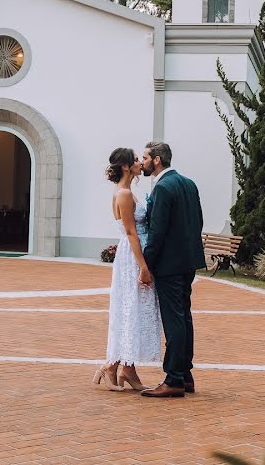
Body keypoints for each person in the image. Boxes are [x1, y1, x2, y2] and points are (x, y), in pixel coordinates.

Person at [139, 142, 205, 398]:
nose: (142, 162)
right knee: (184, 317)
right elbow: (197, 220)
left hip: (169, 265)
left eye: (145, 157)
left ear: (156, 160)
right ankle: (185, 375)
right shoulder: (188, 183)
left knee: (174, 320)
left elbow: (157, 232)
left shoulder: (164, 187)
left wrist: (147, 265)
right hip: (187, 262)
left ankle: (174, 379)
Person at [93, 148, 162, 392]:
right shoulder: (123, 194)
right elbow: (131, 233)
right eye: (135, 160)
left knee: (135, 310)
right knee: (130, 309)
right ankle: (111, 368)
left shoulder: (129, 192)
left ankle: (128, 369)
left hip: (135, 253)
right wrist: (143, 267)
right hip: (133, 257)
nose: (138, 163)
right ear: (125, 166)